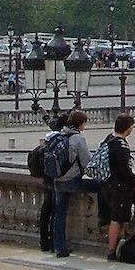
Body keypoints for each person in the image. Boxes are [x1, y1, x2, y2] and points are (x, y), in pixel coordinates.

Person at [49, 109, 91, 259]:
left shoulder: (58, 136)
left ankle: (59, 248)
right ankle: (104, 218)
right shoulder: (78, 140)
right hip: (72, 181)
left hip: (57, 180)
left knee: (59, 215)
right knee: (100, 187)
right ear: (80, 124)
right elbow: (87, 163)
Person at [101, 112, 135, 261]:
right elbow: (125, 169)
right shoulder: (121, 145)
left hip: (107, 183)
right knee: (117, 218)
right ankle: (112, 249)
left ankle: (118, 246)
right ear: (127, 129)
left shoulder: (108, 140)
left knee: (116, 217)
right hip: (119, 186)